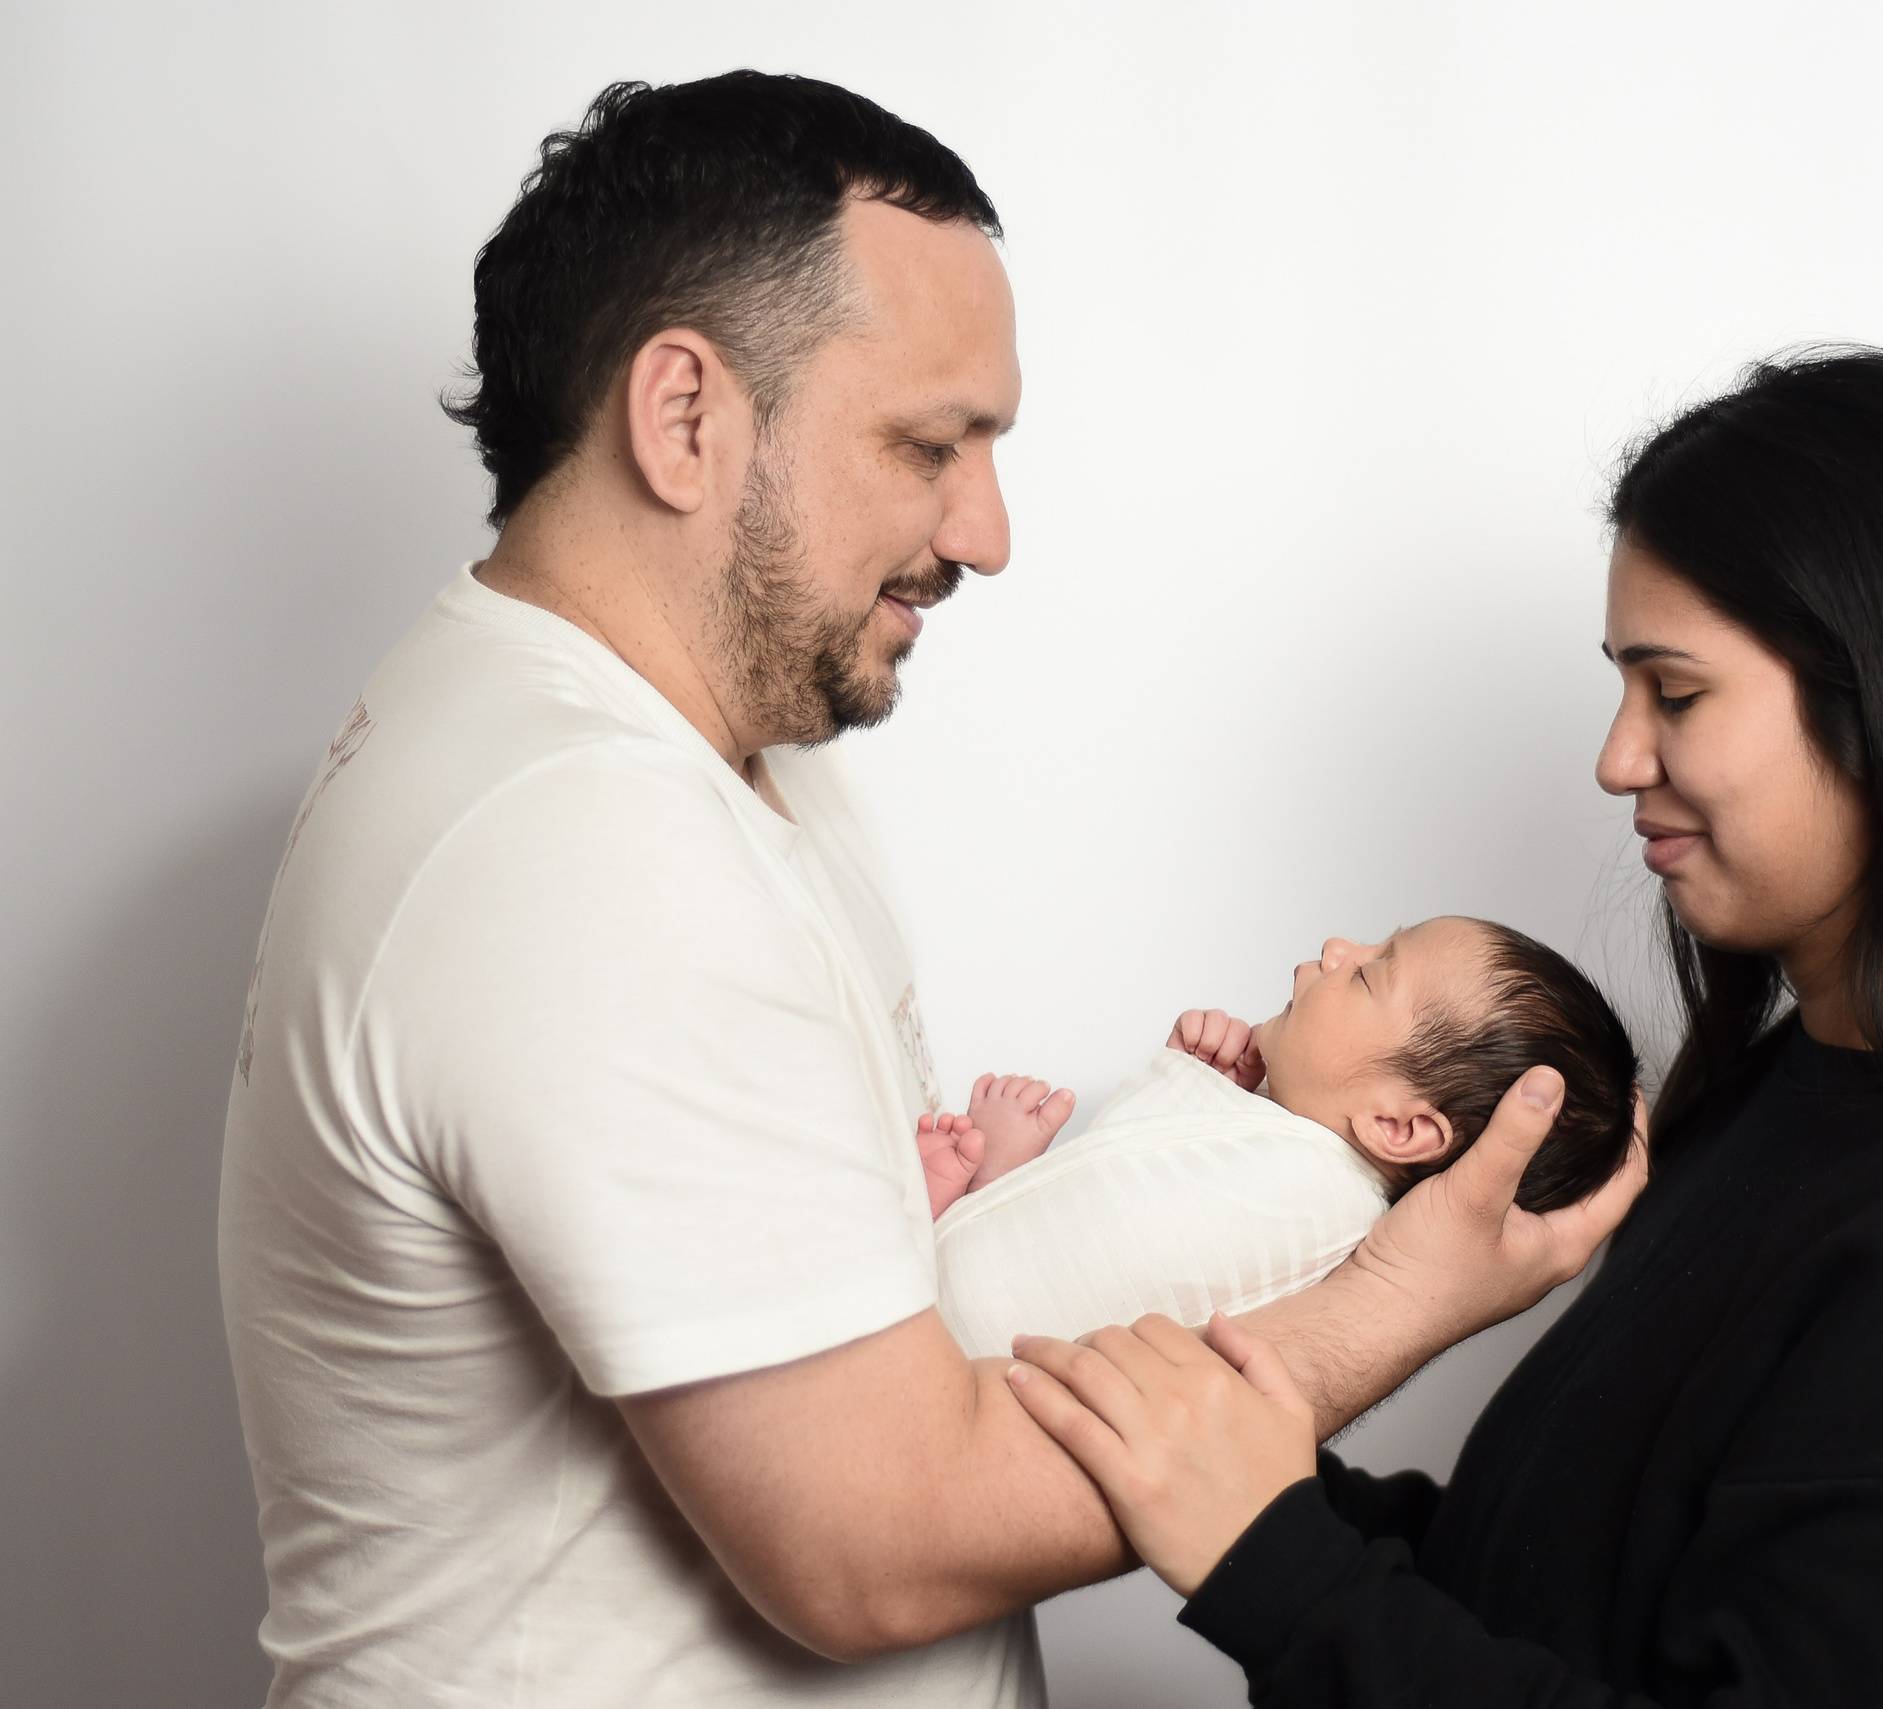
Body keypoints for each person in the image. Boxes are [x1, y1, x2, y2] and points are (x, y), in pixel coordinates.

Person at [217, 72, 1641, 1708]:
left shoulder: (730, 757)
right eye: (926, 443)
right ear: (685, 417)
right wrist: (1398, 1297)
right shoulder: (577, 839)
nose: (989, 528)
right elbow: (875, 1540)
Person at [1008, 348, 1883, 1707]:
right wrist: (1256, 1474)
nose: (1617, 759)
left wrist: (1277, 1563)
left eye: (1675, 693)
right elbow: (1567, 1601)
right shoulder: (1773, 1101)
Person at [925, 918, 1640, 1358]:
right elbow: (1106, 1225)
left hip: (947, 1358)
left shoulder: (1325, 1209)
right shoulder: (1291, 1155)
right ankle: (985, 1191)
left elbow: (1144, 1265)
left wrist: (1188, 1084)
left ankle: (973, 1198)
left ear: (1398, 1126)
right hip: (941, 1302)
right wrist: (1197, 1085)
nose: (1336, 947)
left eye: (1367, 972)